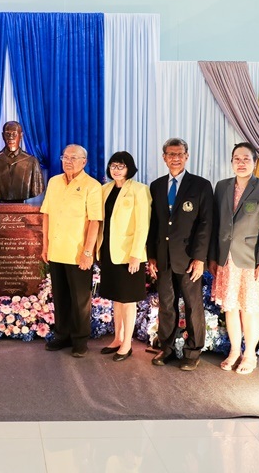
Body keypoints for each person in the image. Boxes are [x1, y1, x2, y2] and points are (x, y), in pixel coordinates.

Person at [209, 142, 259, 375]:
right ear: (231, 162)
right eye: (237, 159)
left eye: (246, 159)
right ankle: (233, 351)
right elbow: (216, 224)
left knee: (251, 308)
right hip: (227, 260)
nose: (241, 163)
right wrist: (213, 257)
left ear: (255, 163)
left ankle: (250, 354)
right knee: (230, 308)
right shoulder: (222, 186)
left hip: (253, 260)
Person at [146, 138, 214, 371]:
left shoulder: (201, 185)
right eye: (170, 154)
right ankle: (165, 348)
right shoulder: (156, 186)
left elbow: (206, 224)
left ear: (187, 156)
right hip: (163, 258)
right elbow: (153, 223)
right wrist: (151, 255)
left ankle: (192, 352)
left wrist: (200, 258)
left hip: (189, 258)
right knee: (166, 305)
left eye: (179, 154)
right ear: (164, 157)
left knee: (193, 306)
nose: (175, 158)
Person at [40, 144, 103, 357]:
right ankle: (62, 335)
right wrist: (45, 245)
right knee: (60, 297)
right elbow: (46, 214)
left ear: (84, 162)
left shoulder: (92, 186)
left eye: (74, 158)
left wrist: (88, 252)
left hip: (78, 253)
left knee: (80, 300)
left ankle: (80, 339)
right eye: (65, 157)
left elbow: (95, 221)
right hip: (56, 250)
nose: (68, 161)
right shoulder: (54, 182)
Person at [96, 151, 150, 362]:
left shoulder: (139, 190)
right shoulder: (105, 189)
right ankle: (117, 338)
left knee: (128, 300)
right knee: (116, 299)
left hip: (129, 255)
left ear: (129, 168)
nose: (116, 170)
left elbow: (143, 225)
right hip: (109, 251)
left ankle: (127, 343)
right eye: (113, 166)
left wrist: (136, 254)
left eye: (121, 166)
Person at [0, 121, 45, 202]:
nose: (11, 137)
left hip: (21, 207)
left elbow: (37, 188)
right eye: (7, 134)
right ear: (3, 136)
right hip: (0, 207)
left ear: (21, 135)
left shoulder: (32, 161)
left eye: (14, 134)